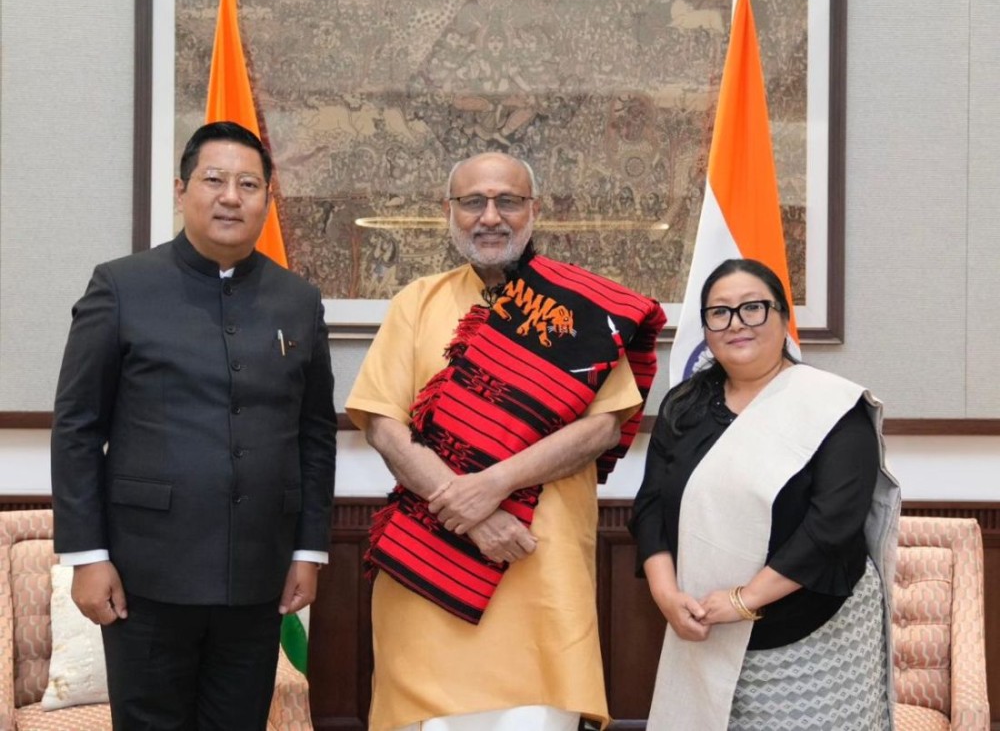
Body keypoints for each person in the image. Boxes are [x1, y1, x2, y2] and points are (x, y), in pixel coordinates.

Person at [346, 152, 666, 731]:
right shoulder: (416, 302)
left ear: (533, 211)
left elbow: (600, 427)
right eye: (473, 202)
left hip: (541, 573)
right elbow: (383, 426)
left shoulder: (583, 310)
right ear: (450, 213)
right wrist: (470, 514)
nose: (490, 216)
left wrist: (491, 486)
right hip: (432, 569)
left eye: (508, 201)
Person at [51, 121, 337, 730]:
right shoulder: (122, 287)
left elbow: (314, 433)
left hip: (259, 576)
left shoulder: (297, 300)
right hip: (143, 575)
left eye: (248, 183)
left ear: (267, 196)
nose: (231, 196)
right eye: (214, 180)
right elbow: (77, 426)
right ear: (182, 189)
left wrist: (308, 550)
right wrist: (87, 555)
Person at [629, 258, 901, 730]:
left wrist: (743, 599)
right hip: (703, 628)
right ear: (706, 327)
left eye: (752, 308)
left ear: (781, 318)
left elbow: (830, 528)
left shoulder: (832, 407)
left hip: (815, 634)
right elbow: (650, 505)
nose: (737, 324)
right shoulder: (685, 406)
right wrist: (665, 593)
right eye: (720, 312)